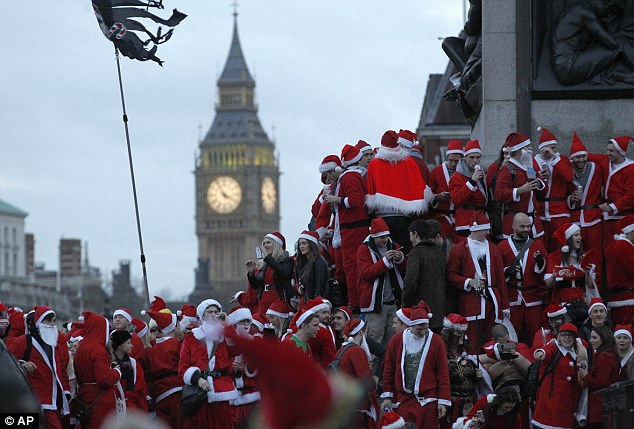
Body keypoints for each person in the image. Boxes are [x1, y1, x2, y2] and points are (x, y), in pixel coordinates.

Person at [316, 143, 371, 313]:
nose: (326, 179)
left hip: (351, 230)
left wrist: (337, 200)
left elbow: (355, 201)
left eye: (327, 174)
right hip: (347, 230)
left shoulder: (349, 178)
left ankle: (354, 304)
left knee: (351, 268)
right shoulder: (349, 177)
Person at [381, 301, 451, 428]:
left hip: (429, 401)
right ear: (411, 326)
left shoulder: (437, 341)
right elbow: (389, 369)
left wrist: (443, 400)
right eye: (420, 329)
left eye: (426, 328)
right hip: (404, 400)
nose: (423, 332)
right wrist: (388, 396)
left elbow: (443, 372)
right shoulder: (396, 341)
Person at [447, 212, 510, 352]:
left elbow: (500, 279)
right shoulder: (459, 249)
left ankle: (494, 366)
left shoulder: (494, 249)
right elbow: (451, 275)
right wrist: (468, 282)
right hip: (471, 301)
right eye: (484, 230)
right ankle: (473, 368)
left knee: (494, 338)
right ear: (475, 230)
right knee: (472, 341)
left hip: (493, 300)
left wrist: (505, 306)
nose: (487, 233)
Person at [366, 130, 433, 252]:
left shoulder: (374, 164)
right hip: (404, 216)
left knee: (385, 253)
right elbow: (420, 187)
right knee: (403, 252)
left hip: (382, 217)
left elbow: (370, 189)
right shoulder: (408, 162)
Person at [178, 299, 238, 429]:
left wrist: (227, 325)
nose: (213, 314)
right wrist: (197, 379)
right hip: (199, 393)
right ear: (202, 315)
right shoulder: (192, 338)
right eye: (209, 311)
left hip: (222, 391)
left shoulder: (225, 335)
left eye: (216, 312)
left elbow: (236, 349)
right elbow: (183, 366)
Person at [8, 306, 71, 429]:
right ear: (38, 322)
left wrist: (65, 392)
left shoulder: (54, 345)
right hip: (33, 400)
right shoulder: (24, 341)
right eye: (48, 321)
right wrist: (22, 364)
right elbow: (8, 363)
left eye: (53, 321)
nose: (52, 324)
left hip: (54, 401)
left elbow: (61, 371)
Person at [497, 212, 548, 344]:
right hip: (512, 299)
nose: (526, 230)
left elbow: (545, 273)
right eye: (522, 227)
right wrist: (508, 271)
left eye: (528, 227)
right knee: (511, 338)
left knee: (536, 336)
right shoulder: (502, 247)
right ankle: (511, 363)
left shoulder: (537, 245)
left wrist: (540, 264)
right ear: (513, 226)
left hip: (533, 299)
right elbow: (496, 273)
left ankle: (537, 360)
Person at [357, 217, 406, 346]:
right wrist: (384, 262)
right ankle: (373, 367)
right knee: (374, 342)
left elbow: (403, 271)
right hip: (376, 307)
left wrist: (401, 259)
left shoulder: (393, 245)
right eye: (381, 237)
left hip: (393, 303)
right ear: (373, 236)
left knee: (393, 343)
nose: (384, 240)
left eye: (386, 236)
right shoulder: (364, 249)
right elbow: (365, 274)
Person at [440, 313, 492, 429]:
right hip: (452, 404)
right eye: (458, 332)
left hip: (469, 403)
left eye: (462, 332)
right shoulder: (441, 358)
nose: (462, 336)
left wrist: (478, 376)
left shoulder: (469, 358)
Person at [73, 311, 123, 429]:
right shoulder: (98, 350)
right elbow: (104, 379)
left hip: (85, 397)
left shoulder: (81, 347)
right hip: (100, 402)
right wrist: (116, 372)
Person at [494, 132, 545, 239]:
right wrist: (520, 190)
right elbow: (499, 194)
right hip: (516, 223)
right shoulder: (507, 169)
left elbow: (540, 191)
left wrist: (538, 182)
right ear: (519, 150)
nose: (531, 149)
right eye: (528, 146)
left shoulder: (529, 166)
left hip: (534, 223)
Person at [588, 135, 634, 252]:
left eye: (611, 151)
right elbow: (583, 155)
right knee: (607, 250)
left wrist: (612, 207)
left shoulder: (630, 169)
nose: (608, 153)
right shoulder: (605, 161)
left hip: (623, 217)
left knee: (621, 251)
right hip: (606, 215)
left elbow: (631, 195)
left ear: (620, 152)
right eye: (607, 150)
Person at [532, 323, 582, 429]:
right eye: (564, 335)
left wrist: (574, 408)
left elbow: (574, 386)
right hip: (550, 404)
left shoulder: (573, 355)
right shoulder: (554, 347)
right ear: (559, 336)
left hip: (565, 407)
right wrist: (541, 353)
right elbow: (547, 351)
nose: (567, 338)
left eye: (570, 335)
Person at [331, 318, 379, 429]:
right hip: (357, 406)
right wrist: (375, 381)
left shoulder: (342, 349)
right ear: (362, 332)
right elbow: (367, 380)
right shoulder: (356, 351)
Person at [533, 127, 574, 252]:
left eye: (553, 148)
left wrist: (554, 157)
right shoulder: (532, 162)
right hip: (540, 211)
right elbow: (528, 180)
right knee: (541, 247)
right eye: (548, 148)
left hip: (559, 212)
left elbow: (568, 176)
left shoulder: (561, 160)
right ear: (541, 148)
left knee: (561, 247)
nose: (551, 151)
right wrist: (539, 176)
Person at [567, 132, 605, 263]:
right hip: (575, 220)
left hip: (593, 218)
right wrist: (571, 199)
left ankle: (596, 283)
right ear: (572, 159)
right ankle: (578, 282)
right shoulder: (566, 171)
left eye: (584, 156)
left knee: (595, 255)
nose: (581, 160)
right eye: (577, 157)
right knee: (575, 255)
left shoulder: (596, 168)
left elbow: (608, 159)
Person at [402, 219, 447, 330]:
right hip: (440, 309)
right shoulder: (440, 253)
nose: (410, 239)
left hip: (420, 310)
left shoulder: (415, 253)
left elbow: (410, 282)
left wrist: (405, 305)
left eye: (410, 235)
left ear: (416, 234)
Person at [544, 223, 599, 310]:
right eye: (576, 235)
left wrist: (588, 273)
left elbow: (590, 284)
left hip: (581, 303)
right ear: (568, 238)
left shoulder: (584, 257)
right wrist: (554, 276)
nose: (580, 238)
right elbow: (548, 284)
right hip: (561, 304)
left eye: (580, 235)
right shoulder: (554, 257)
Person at [145, 310, 182, 429]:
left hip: (159, 391)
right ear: (174, 326)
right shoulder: (176, 345)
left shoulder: (154, 347)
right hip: (176, 389)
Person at [577, 324, 620, 429]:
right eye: (591, 337)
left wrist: (586, 376)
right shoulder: (606, 354)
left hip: (600, 407)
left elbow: (602, 383)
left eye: (594, 337)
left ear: (604, 338)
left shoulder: (604, 357)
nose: (591, 340)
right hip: (602, 407)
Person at [244, 232, 295, 316]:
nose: (265, 245)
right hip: (263, 302)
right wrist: (251, 273)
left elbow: (284, 274)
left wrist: (268, 258)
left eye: (268, 243)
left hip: (277, 301)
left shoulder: (286, 261)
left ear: (276, 244)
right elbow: (255, 286)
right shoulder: (265, 264)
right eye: (263, 243)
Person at [225, 307, 260, 427]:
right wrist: (231, 366)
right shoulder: (223, 342)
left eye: (248, 321)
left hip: (250, 395)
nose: (246, 324)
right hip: (230, 395)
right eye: (242, 321)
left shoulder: (255, 342)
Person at [449, 139, 489, 238]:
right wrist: (472, 182)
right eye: (471, 157)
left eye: (478, 157)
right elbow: (456, 199)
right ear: (465, 158)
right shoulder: (457, 176)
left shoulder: (481, 172)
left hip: (481, 218)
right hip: (465, 222)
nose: (475, 160)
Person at [429, 139, 464, 242]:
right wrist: (437, 197)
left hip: (460, 216)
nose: (453, 163)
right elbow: (429, 195)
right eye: (451, 160)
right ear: (447, 157)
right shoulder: (436, 172)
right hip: (442, 217)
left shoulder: (464, 172)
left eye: (456, 161)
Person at [110, 329, 149, 412]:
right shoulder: (108, 364)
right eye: (128, 343)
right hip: (113, 410)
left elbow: (140, 390)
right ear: (120, 346)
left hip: (132, 409)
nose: (132, 345)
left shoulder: (133, 363)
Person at [606, 215, 634, 324]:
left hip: (621, 299)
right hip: (627, 300)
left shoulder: (617, 245)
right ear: (630, 231)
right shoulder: (623, 246)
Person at [452, 387, 522, 429]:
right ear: (499, 402)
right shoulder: (485, 404)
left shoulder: (514, 415)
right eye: (506, 407)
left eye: (511, 408)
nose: (509, 410)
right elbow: (468, 420)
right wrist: (475, 423)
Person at [294, 230, 329, 304]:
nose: (301, 247)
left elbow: (320, 287)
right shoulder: (305, 263)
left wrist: (315, 304)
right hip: (307, 302)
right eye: (300, 244)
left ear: (311, 244)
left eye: (304, 243)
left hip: (315, 304)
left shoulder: (319, 262)